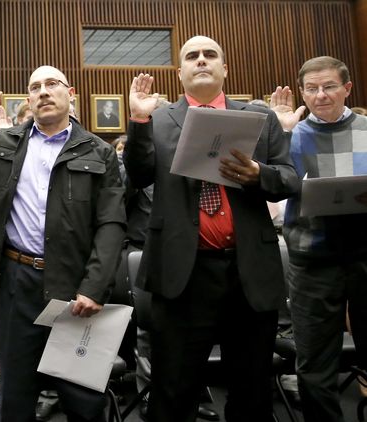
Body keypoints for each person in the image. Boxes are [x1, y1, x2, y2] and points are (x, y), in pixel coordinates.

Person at [124, 36, 300, 422]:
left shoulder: (259, 118)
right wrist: (137, 121)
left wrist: (259, 174)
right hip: (183, 274)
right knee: (173, 391)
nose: (201, 61)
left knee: (252, 391)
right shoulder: (157, 119)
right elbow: (136, 177)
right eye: (192, 56)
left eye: (210, 55)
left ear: (225, 69)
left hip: (248, 273)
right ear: (180, 72)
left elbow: (289, 179)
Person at [0, 67, 126, 422]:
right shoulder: (0, 145)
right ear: (27, 99)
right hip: (16, 284)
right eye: (35, 87)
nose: (43, 92)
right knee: (16, 400)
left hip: (75, 289)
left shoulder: (99, 152)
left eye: (52, 84)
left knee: (83, 403)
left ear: (71, 93)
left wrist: (95, 287)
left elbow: (111, 224)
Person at [271, 56, 367, 422]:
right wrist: (280, 134)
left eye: (329, 87)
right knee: (314, 364)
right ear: (302, 92)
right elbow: (270, 182)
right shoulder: (290, 135)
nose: (321, 95)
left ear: (347, 88)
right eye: (311, 89)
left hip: (364, 257)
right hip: (312, 262)